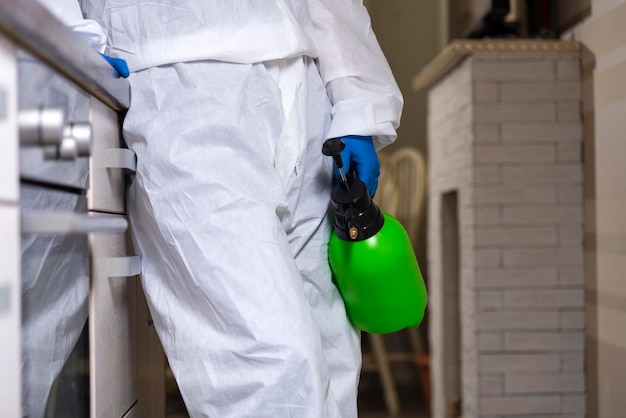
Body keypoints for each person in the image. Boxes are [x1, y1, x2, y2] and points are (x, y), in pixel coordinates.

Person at [42, 1, 403, 416]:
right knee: (264, 359)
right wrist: (67, 31)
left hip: (308, 85)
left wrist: (358, 99)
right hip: (183, 70)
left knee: (331, 347)